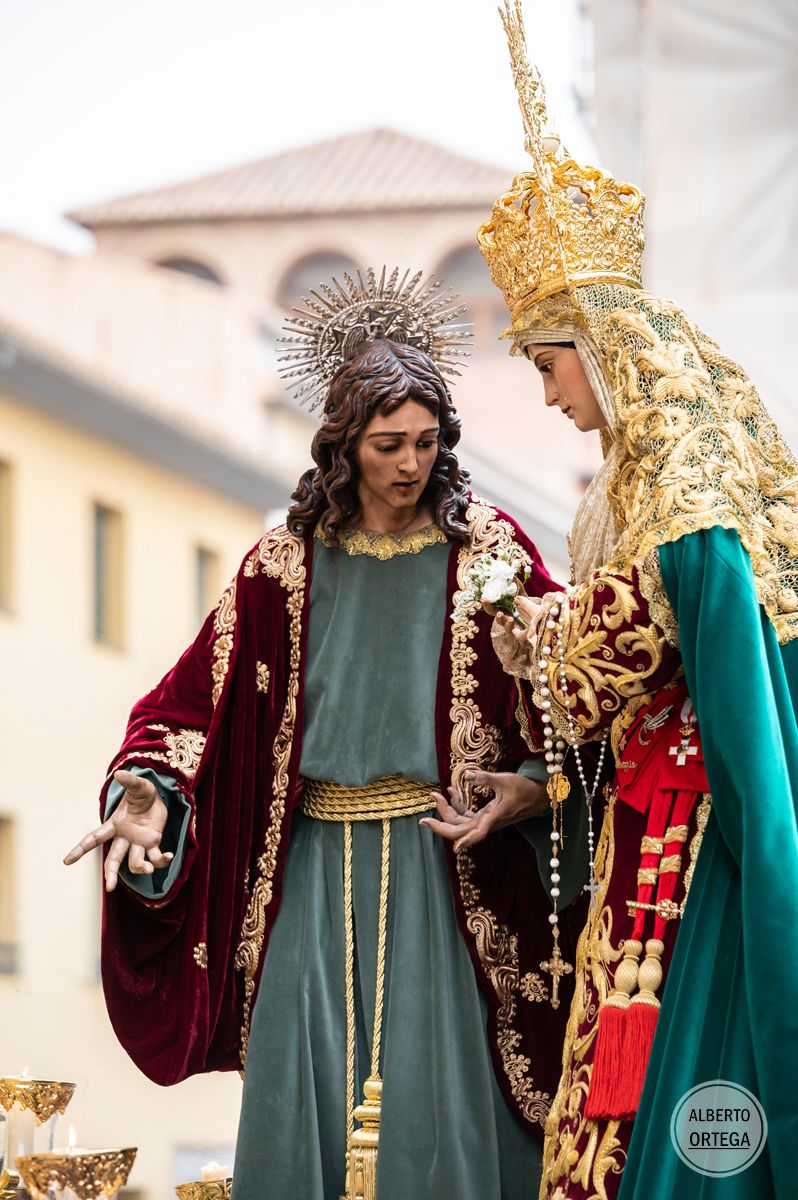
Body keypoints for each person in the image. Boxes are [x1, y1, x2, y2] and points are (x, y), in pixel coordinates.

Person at [64, 268, 591, 1200]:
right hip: (311, 881)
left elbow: (580, 701)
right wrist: (150, 790)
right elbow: (187, 707)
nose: (411, 464)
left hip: (443, 876)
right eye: (388, 445)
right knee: (300, 1111)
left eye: (427, 442)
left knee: (438, 1118)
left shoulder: (491, 552)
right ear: (345, 443)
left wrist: (535, 788)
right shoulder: (281, 569)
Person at [468, 4, 798, 1198]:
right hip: (651, 817)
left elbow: (653, 631)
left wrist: (541, 632)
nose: (550, 394)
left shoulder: (688, 487)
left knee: (690, 1088)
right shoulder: (649, 480)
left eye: (547, 363)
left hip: (696, 832)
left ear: (601, 348)